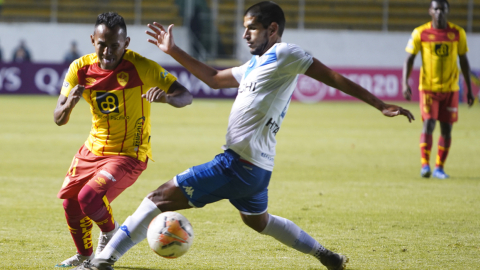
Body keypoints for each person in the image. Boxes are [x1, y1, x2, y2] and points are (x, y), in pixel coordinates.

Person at [75, 2, 414, 270]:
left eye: (251, 28)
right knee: (259, 221)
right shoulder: (253, 66)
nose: (245, 35)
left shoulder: (285, 54)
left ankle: (103, 261)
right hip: (257, 171)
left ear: (272, 29)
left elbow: (332, 77)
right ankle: (325, 254)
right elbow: (212, 78)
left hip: (236, 164)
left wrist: (379, 104)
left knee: (156, 198)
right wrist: (173, 51)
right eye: (244, 29)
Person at [53, 12, 192, 267]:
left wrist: (166, 98)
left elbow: (185, 96)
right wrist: (69, 106)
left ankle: (110, 232)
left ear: (125, 43)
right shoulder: (79, 69)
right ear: (92, 39)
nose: (107, 52)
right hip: (92, 149)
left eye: (114, 46)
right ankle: (85, 258)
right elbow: (58, 117)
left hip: (129, 153)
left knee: (88, 198)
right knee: (71, 205)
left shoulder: (141, 67)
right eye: (102, 44)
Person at [402, 0, 473, 179]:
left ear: (448, 11)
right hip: (428, 88)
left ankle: (439, 168)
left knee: (447, 129)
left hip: (451, 89)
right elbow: (409, 59)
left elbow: (464, 61)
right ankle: (425, 165)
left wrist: (470, 89)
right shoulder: (420, 32)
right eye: (436, 9)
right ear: (430, 11)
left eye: (443, 9)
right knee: (429, 124)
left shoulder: (457, 33)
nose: (439, 12)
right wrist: (405, 83)